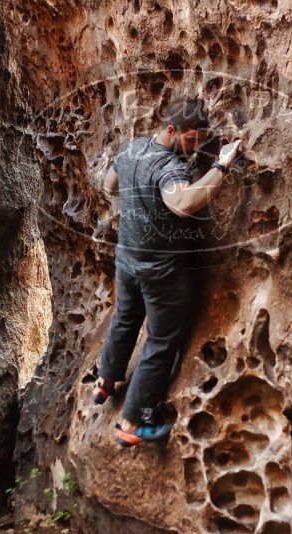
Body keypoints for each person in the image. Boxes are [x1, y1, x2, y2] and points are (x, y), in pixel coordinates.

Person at [95, 98, 242, 447]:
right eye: (192, 140)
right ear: (171, 130)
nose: (196, 149)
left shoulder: (132, 148)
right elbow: (183, 203)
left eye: (201, 142)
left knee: (126, 318)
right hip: (160, 273)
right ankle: (132, 423)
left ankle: (106, 381)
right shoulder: (170, 169)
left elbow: (109, 185)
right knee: (161, 343)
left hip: (127, 259)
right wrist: (221, 165)